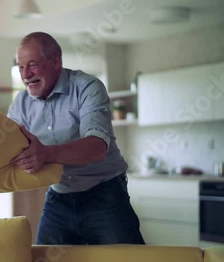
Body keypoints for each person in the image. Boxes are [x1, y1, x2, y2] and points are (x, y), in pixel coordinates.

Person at [8, 31, 145, 245]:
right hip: (58, 196)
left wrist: (46, 154)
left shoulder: (88, 87)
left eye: (32, 64)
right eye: (20, 67)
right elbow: (6, 146)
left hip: (105, 194)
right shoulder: (21, 103)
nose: (25, 75)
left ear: (56, 61)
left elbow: (97, 147)